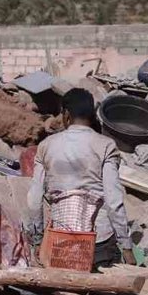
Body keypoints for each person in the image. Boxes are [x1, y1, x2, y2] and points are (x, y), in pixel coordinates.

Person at [26, 88, 134, 270]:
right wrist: (127, 246)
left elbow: (34, 201)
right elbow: (114, 201)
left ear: (66, 114)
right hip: (98, 243)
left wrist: (37, 240)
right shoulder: (105, 145)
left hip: (60, 241)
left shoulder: (46, 146)